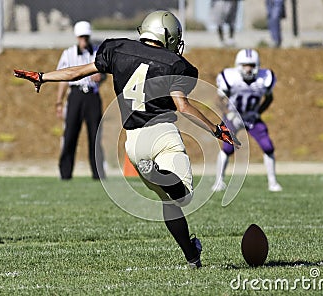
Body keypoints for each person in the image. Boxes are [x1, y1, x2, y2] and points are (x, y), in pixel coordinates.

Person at [14, 11, 240, 268]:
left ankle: (192, 256)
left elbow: (78, 72)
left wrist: (43, 76)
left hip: (133, 144)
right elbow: (183, 106)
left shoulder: (117, 49)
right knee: (183, 196)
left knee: (168, 201)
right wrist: (216, 128)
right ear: (166, 36)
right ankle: (162, 174)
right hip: (162, 132)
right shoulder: (176, 65)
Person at [211, 48, 282, 192]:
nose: (248, 69)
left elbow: (269, 98)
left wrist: (258, 112)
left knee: (268, 146)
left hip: (251, 117)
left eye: (251, 65)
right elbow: (218, 100)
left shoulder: (264, 79)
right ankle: (218, 182)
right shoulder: (230, 78)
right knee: (227, 148)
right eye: (245, 65)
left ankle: (272, 182)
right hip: (233, 116)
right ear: (238, 65)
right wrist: (229, 115)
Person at [55, 21, 106, 180]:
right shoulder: (68, 54)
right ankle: (65, 173)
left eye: (86, 36)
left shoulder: (97, 52)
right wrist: (59, 101)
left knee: (94, 136)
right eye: (81, 37)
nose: (84, 40)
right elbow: (63, 78)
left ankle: (98, 174)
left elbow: (104, 73)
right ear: (77, 37)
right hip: (76, 95)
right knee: (70, 135)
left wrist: (101, 77)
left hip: (92, 95)